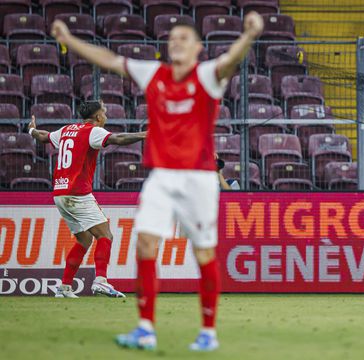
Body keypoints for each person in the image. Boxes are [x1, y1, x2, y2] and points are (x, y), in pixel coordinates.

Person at [51, 12, 264, 351]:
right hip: (161, 177)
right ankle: (145, 328)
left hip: (198, 179)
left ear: (197, 48)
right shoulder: (155, 74)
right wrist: (69, 40)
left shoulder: (207, 76)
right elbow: (109, 59)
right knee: (146, 244)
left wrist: (249, 35)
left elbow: (230, 61)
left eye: (184, 38)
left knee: (204, 253)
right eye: (172, 38)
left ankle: (208, 331)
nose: (176, 42)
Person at [28, 100, 146, 298]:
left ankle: (64, 287)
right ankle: (101, 281)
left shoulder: (66, 130)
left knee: (84, 239)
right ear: (98, 117)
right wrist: (145, 134)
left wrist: (31, 130)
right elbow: (119, 138)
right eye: (105, 112)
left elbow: (43, 136)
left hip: (60, 193)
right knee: (105, 235)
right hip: (77, 193)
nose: (106, 115)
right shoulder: (93, 131)